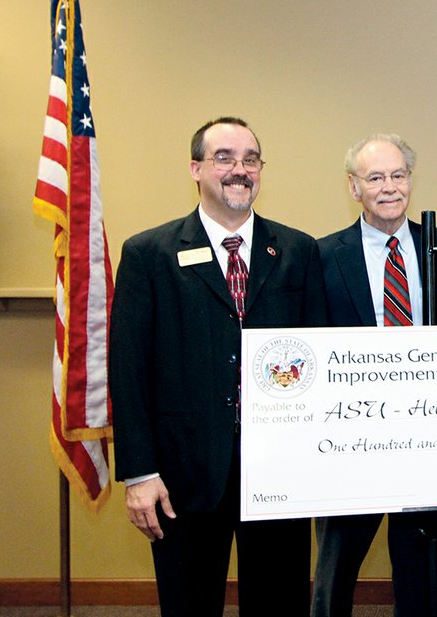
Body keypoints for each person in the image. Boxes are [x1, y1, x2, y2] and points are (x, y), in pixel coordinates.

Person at [108, 117, 327, 617]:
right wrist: (139, 471)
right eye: (224, 158)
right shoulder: (149, 254)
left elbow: (318, 361)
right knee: (189, 605)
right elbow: (129, 370)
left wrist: (317, 458)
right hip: (183, 473)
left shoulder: (297, 251)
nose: (239, 170)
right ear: (195, 168)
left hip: (278, 470)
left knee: (279, 605)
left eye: (251, 160)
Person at [311, 133, 437, 617]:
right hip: (349, 439)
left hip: (427, 436)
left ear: (411, 181)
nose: (389, 187)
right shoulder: (321, 256)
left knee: (422, 574)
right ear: (353, 186)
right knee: (335, 571)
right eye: (375, 177)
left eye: (398, 175)